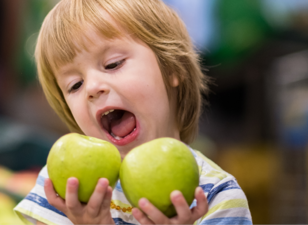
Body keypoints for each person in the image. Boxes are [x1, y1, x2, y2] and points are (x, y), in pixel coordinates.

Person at [14, 0, 252, 224]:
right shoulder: (66, 189)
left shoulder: (217, 198)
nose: (92, 88)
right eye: (75, 85)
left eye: (113, 64)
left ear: (171, 67)